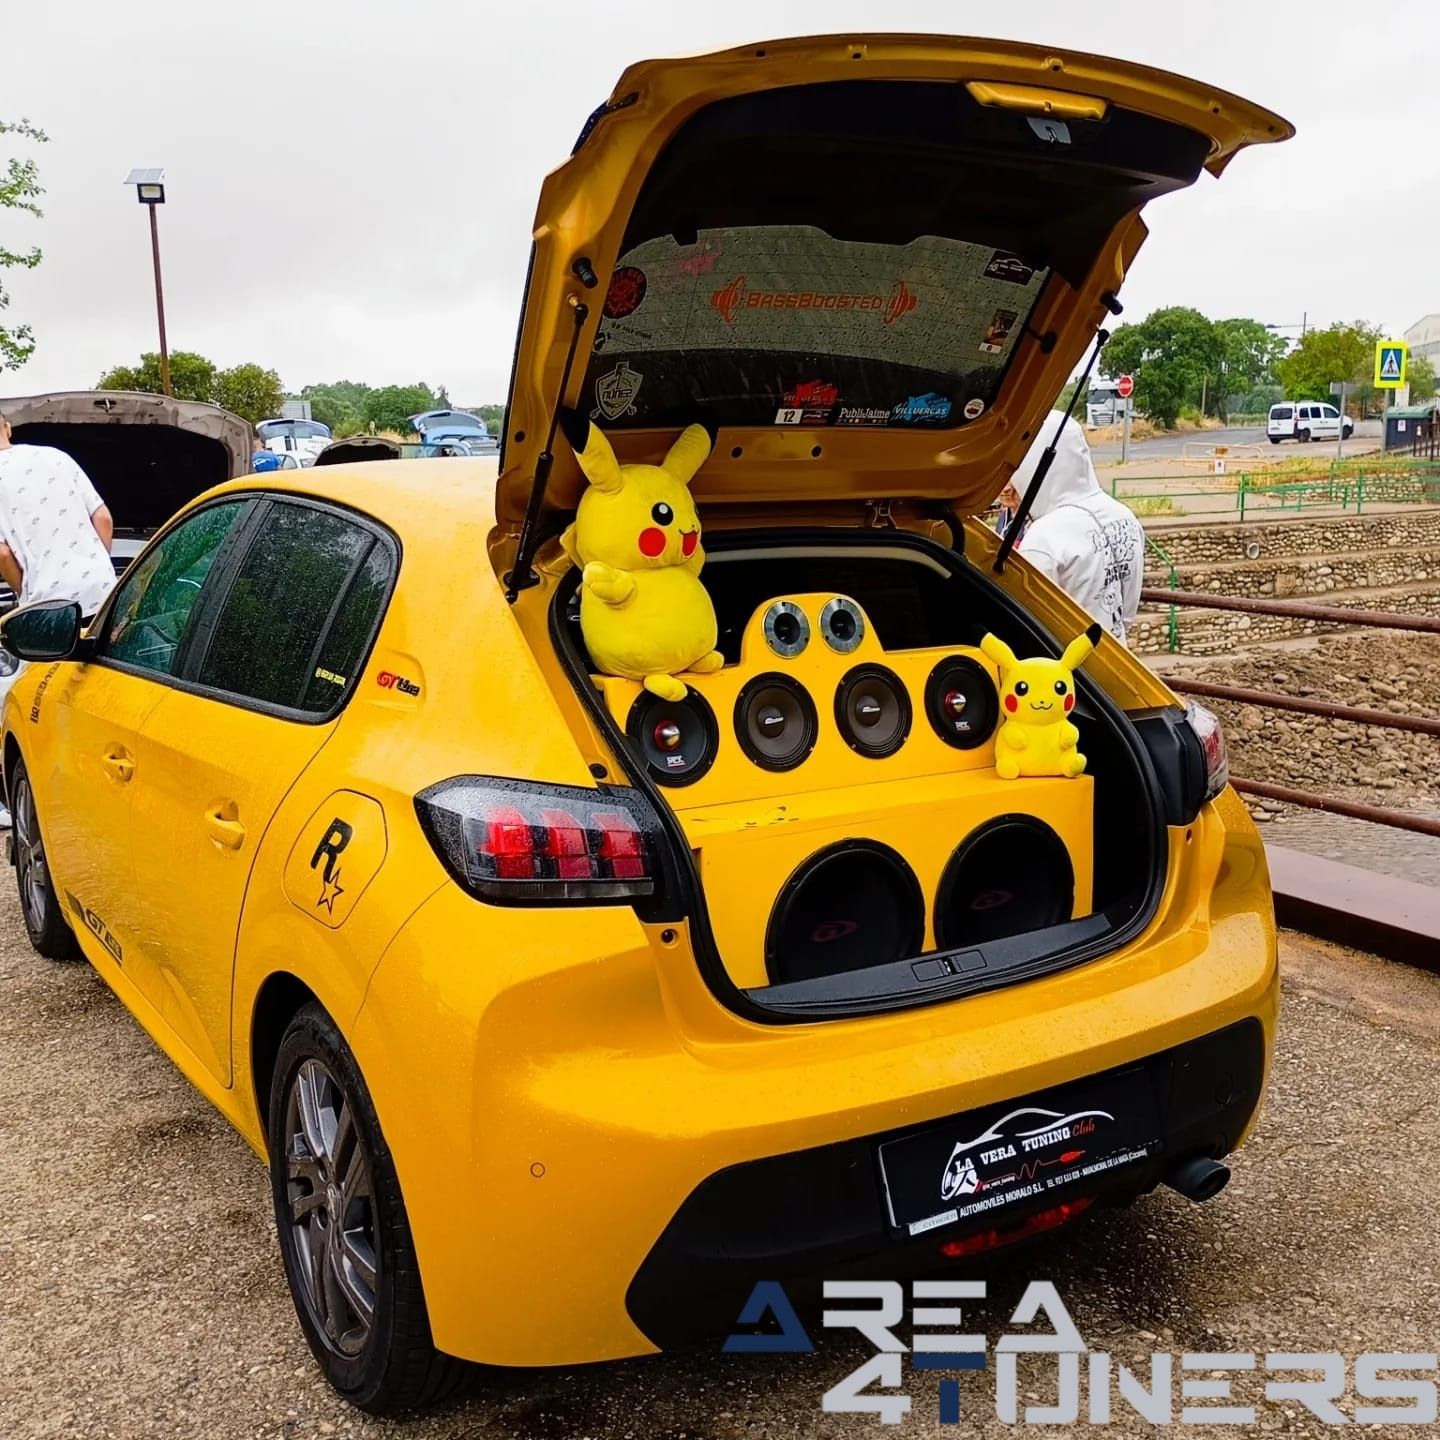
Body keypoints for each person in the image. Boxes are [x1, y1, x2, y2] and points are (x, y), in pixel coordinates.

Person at [0, 410, 116, 824]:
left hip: (48, 605)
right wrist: (95, 567)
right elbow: (102, 518)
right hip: (104, 594)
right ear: (9, 428)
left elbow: (2, 554)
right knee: (107, 689)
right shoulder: (57, 457)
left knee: (39, 703)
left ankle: (52, 803)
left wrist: (21, 592)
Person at [1005, 409, 1144, 646]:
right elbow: (1127, 611)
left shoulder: (1042, 539)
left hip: (1066, 671)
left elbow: (1030, 629)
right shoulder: (1126, 518)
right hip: (1118, 660)